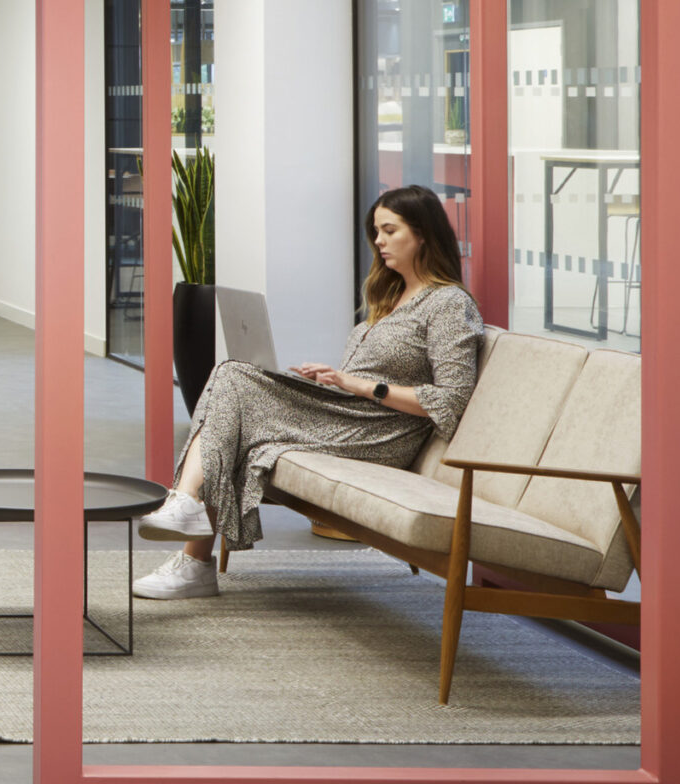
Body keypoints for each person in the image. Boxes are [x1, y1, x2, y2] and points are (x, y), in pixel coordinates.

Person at [131, 183, 483, 601]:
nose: (379, 241)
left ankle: (190, 539)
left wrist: (358, 384)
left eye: (390, 230)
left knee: (235, 382)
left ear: (423, 233)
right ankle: (191, 545)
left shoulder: (448, 305)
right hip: (348, 414)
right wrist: (331, 379)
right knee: (233, 393)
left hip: (380, 435)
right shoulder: (391, 296)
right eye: (376, 231)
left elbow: (452, 400)